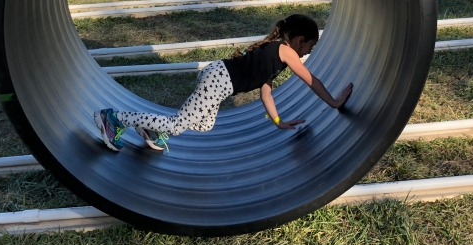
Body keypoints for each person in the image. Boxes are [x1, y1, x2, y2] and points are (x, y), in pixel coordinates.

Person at [93, 14, 354, 152]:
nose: (308, 52)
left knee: (205, 125)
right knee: (176, 126)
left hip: (218, 79)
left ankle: (150, 129)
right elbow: (311, 79)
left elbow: (266, 94)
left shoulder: (277, 59)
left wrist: (279, 122)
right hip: (219, 80)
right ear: (299, 40)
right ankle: (114, 118)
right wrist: (333, 102)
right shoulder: (284, 50)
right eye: (309, 46)